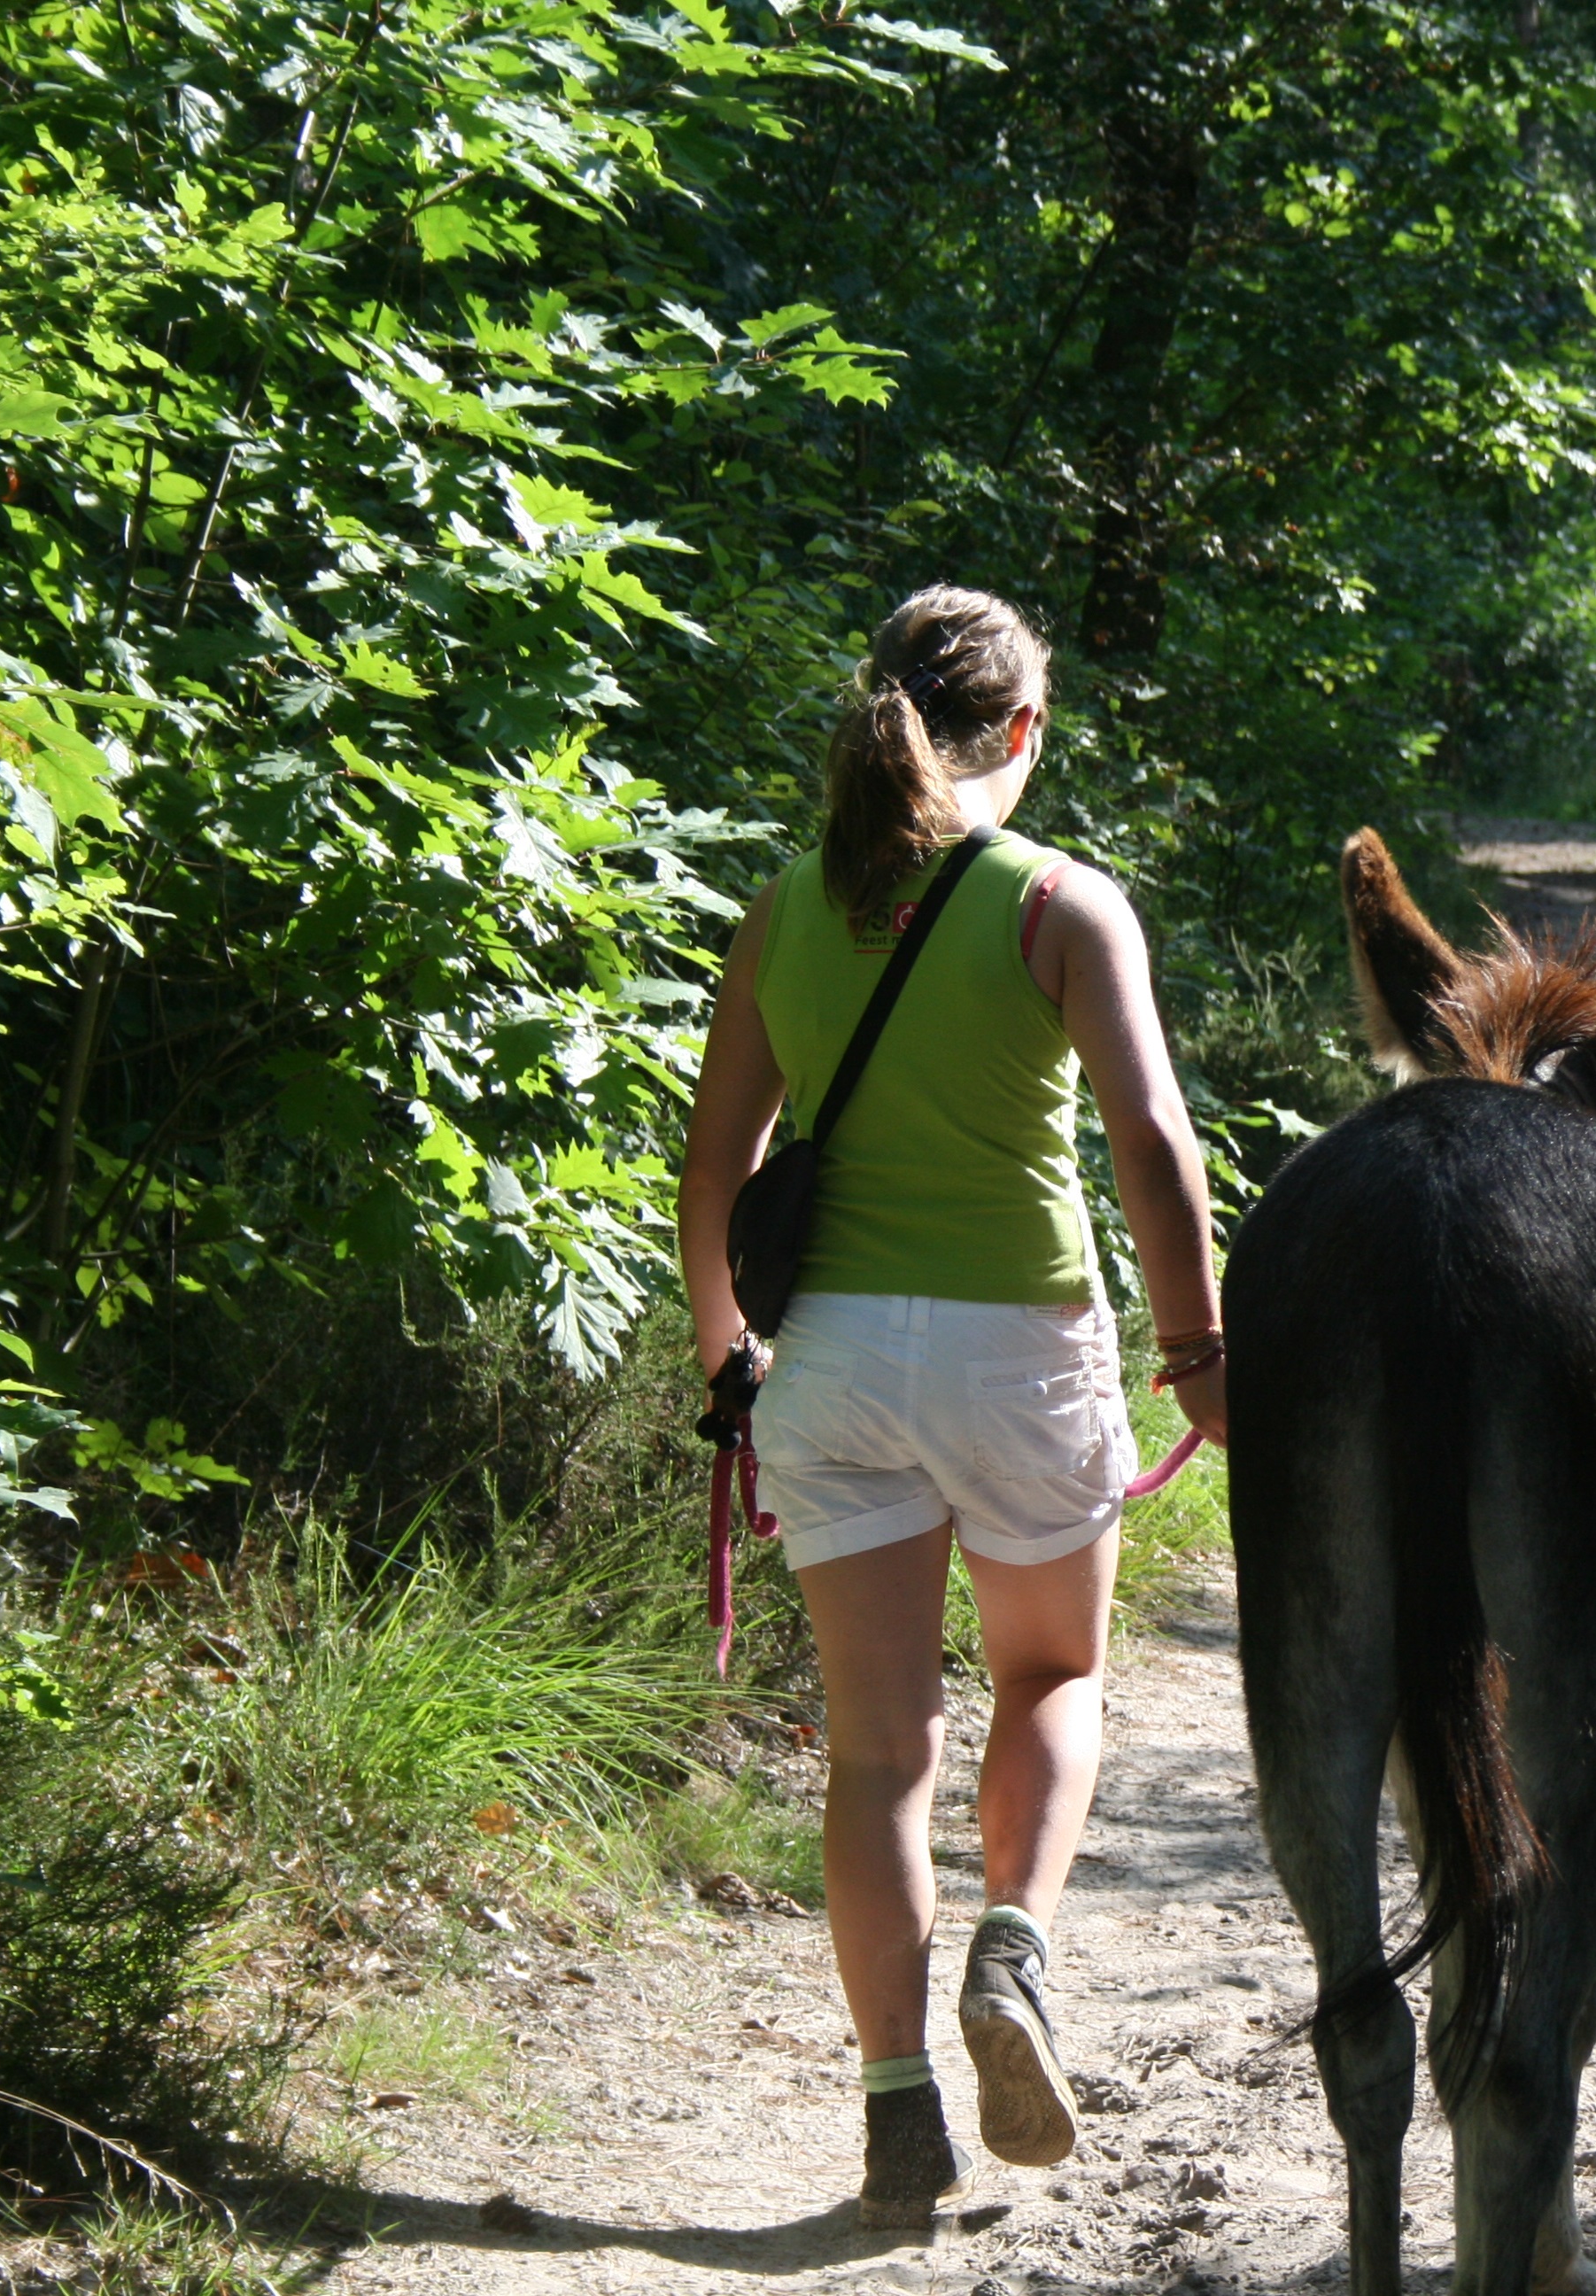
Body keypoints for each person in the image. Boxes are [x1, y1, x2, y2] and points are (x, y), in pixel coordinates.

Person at [678, 586, 1231, 2229]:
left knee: (874, 1752)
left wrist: (732, 1355)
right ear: (1025, 730)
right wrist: (1200, 1355)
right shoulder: (1062, 903)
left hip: (831, 1363)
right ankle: (1017, 1947)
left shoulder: (783, 906)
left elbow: (716, 1167)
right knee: (1051, 1670)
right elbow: (1151, 1146)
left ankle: (894, 2106)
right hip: (1019, 1346)